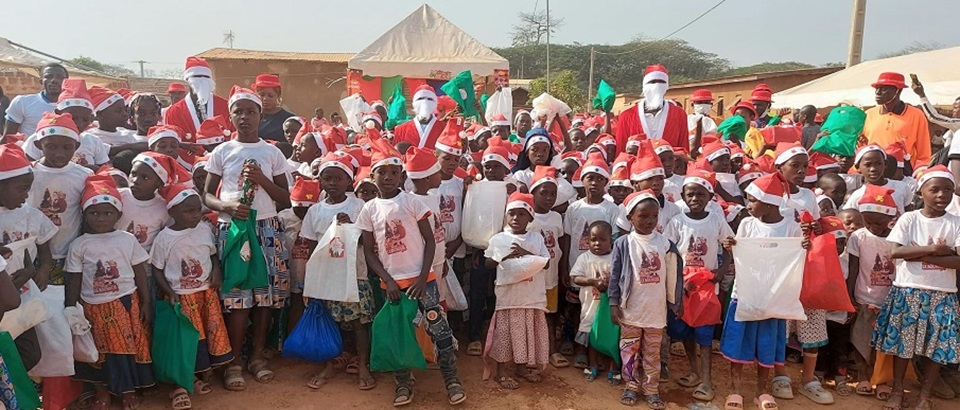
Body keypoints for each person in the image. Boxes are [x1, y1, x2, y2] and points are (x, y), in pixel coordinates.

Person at [356, 131, 465, 407]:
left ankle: (452, 380)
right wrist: (388, 281)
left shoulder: (412, 202)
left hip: (422, 282)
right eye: (383, 172)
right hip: (392, 286)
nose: (389, 177)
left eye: (395, 172)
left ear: (402, 177)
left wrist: (421, 276)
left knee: (438, 329)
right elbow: (369, 251)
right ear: (373, 177)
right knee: (399, 333)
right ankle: (403, 383)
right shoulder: (368, 210)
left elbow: (430, 242)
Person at [202, 86, 291, 390]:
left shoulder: (271, 152)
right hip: (235, 231)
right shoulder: (222, 152)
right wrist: (226, 206)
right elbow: (207, 196)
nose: (244, 117)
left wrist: (261, 180)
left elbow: (285, 199)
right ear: (231, 117)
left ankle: (257, 357)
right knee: (238, 297)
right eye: (238, 111)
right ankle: (233, 362)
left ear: (259, 115)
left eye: (250, 111)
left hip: (266, 228)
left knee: (264, 297)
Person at [871, 165, 960, 410]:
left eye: (948, 190)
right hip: (908, 290)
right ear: (922, 192)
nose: (943, 195)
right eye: (936, 189)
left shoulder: (956, 222)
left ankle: (925, 395)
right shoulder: (909, 219)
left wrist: (918, 256)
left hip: (943, 294)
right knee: (903, 345)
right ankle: (898, 390)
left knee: (937, 347)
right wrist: (934, 250)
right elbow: (895, 251)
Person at [721, 173, 810, 410]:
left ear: (769, 202)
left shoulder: (792, 228)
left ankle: (762, 391)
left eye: (752, 200)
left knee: (767, 346)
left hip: (774, 299)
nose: (748, 205)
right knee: (739, 343)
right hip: (746, 295)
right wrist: (730, 247)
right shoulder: (747, 224)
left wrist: (805, 247)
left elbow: (799, 257)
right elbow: (739, 255)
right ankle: (735, 390)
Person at [65, 174, 154, 410]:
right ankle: (102, 392)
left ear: (118, 215)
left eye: (107, 213)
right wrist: (71, 307)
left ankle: (127, 392)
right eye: (94, 213)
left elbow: (139, 272)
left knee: (123, 350)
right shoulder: (79, 245)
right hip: (93, 306)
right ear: (85, 215)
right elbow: (73, 277)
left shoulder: (127, 240)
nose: (101, 218)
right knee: (98, 352)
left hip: (124, 303)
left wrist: (146, 302)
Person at [150, 183, 233, 409]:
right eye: (188, 211)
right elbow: (157, 269)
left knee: (210, 330)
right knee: (190, 337)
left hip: (205, 293)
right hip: (182, 296)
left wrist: (216, 270)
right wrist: (169, 292)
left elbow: (213, 255)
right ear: (172, 212)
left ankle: (208, 371)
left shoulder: (204, 229)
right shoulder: (164, 238)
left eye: (197, 210)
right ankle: (189, 376)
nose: (195, 215)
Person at [300, 155, 378, 391]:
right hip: (327, 277)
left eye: (338, 178)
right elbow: (312, 248)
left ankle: (363, 364)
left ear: (349, 181)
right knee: (329, 322)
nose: (332, 182)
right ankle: (329, 364)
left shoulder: (358, 206)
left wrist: (351, 226)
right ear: (320, 181)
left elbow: (369, 241)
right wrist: (311, 279)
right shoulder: (315, 211)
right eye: (327, 178)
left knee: (358, 323)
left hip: (355, 275)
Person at [662, 168, 734, 402]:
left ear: (710, 197)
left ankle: (707, 381)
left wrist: (721, 271)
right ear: (683, 196)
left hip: (707, 287)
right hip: (683, 286)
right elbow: (669, 253)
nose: (695, 199)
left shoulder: (716, 219)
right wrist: (674, 283)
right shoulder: (676, 222)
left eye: (700, 195)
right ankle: (694, 371)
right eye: (690, 194)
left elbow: (729, 245)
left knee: (704, 334)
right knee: (685, 332)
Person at [609, 189, 679, 408]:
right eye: (643, 216)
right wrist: (613, 303)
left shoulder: (666, 243)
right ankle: (631, 386)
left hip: (655, 311)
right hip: (630, 310)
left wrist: (676, 302)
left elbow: (675, 275)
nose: (650, 221)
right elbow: (615, 275)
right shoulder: (623, 243)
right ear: (630, 217)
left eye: (654, 216)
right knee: (629, 350)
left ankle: (651, 389)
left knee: (652, 353)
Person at [482, 192, 552, 390]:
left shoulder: (536, 238)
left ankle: (521, 368)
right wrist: (500, 257)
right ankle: (502, 372)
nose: (516, 218)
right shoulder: (498, 239)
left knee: (526, 333)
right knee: (505, 333)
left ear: (530, 217)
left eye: (522, 214)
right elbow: (487, 264)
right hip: (508, 298)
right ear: (506, 215)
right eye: (512, 213)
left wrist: (526, 254)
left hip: (531, 297)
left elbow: (545, 263)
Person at [27, 112, 95, 286]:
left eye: (67, 147)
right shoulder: (28, 174)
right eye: (51, 147)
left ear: (76, 145)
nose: (59, 154)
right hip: (31, 252)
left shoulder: (83, 175)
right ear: (38, 145)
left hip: (68, 251)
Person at [846, 184, 897, 397]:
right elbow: (854, 267)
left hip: (890, 300)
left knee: (885, 344)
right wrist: (849, 297)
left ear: (890, 219)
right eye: (868, 222)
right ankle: (862, 377)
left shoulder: (897, 237)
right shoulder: (858, 237)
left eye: (878, 222)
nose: (873, 226)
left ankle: (882, 380)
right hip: (864, 297)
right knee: (860, 340)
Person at [0, 142, 57, 290]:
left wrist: (43, 270)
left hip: (27, 285)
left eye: (28, 189)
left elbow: (44, 251)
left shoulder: (32, 216)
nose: (26, 195)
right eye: (21, 189)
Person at [21, 78, 110, 169]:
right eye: (73, 118)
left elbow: (104, 171)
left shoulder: (93, 141)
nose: (79, 124)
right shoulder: (41, 138)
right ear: (58, 112)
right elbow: (26, 169)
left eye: (85, 119)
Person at [528, 166, 567, 367]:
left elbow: (561, 246)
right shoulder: (527, 216)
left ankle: (552, 351)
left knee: (550, 315)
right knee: (532, 316)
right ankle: (531, 354)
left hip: (550, 277)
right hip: (532, 279)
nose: (549, 198)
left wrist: (562, 271)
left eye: (553, 194)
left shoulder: (556, 217)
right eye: (544, 193)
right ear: (532, 193)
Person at [569, 221, 617, 383]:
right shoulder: (584, 258)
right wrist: (592, 281)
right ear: (587, 241)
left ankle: (614, 367)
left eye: (603, 239)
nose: (597, 243)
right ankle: (593, 365)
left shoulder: (616, 257)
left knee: (612, 336)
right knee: (592, 336)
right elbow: (575, 278)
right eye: (593, 239)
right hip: (590, 306)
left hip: (611, 307)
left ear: (611, 240)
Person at [862, 72, 931, 166]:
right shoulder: (868, 115)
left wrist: (919, 173)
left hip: (903, 174)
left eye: (884, 89)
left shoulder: (917, 115)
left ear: (898, 91)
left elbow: (924, 154)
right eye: (877, 88)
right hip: (873, 172)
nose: (877, 92)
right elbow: (861, 147)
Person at [615, 65, 688, 151]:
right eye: (652, 82)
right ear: (644, 85)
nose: (657, 86)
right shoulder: (627, 116)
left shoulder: (679, 114)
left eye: (661, 82)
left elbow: (683, 148)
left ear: (667, 86)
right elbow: (621, 152)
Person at [164, 57, 229, 139]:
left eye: (205, 77)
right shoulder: (174, 112)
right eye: (197, 77)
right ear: (188, 80)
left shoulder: (225, 106)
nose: (202, 80)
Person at [842, 144, 913, 213]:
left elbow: (909, 214)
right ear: (858, 168)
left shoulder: (901, 187)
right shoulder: (858, 195)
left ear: (885, 164)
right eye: (867, 165)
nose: (873, 169)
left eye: (878, 164)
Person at [4, 63, 67, 136]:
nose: (54, 80)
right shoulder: (22, 102)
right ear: (41, 81)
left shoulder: (75, 106)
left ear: (67, 81)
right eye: (48, 76)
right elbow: (8, 138)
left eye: (59, 77)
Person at [393, 85, 447, 149]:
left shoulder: (445, 129)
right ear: (414, 103)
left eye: (429, 99)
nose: (425, 102)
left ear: (435, 103)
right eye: (420, 98)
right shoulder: (400, 130)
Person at [251, 74, 294, 142]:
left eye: (270, 96)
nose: (265, 99)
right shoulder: (250, 116)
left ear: (277, 96)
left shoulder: (289, 119)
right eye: (262, 95)